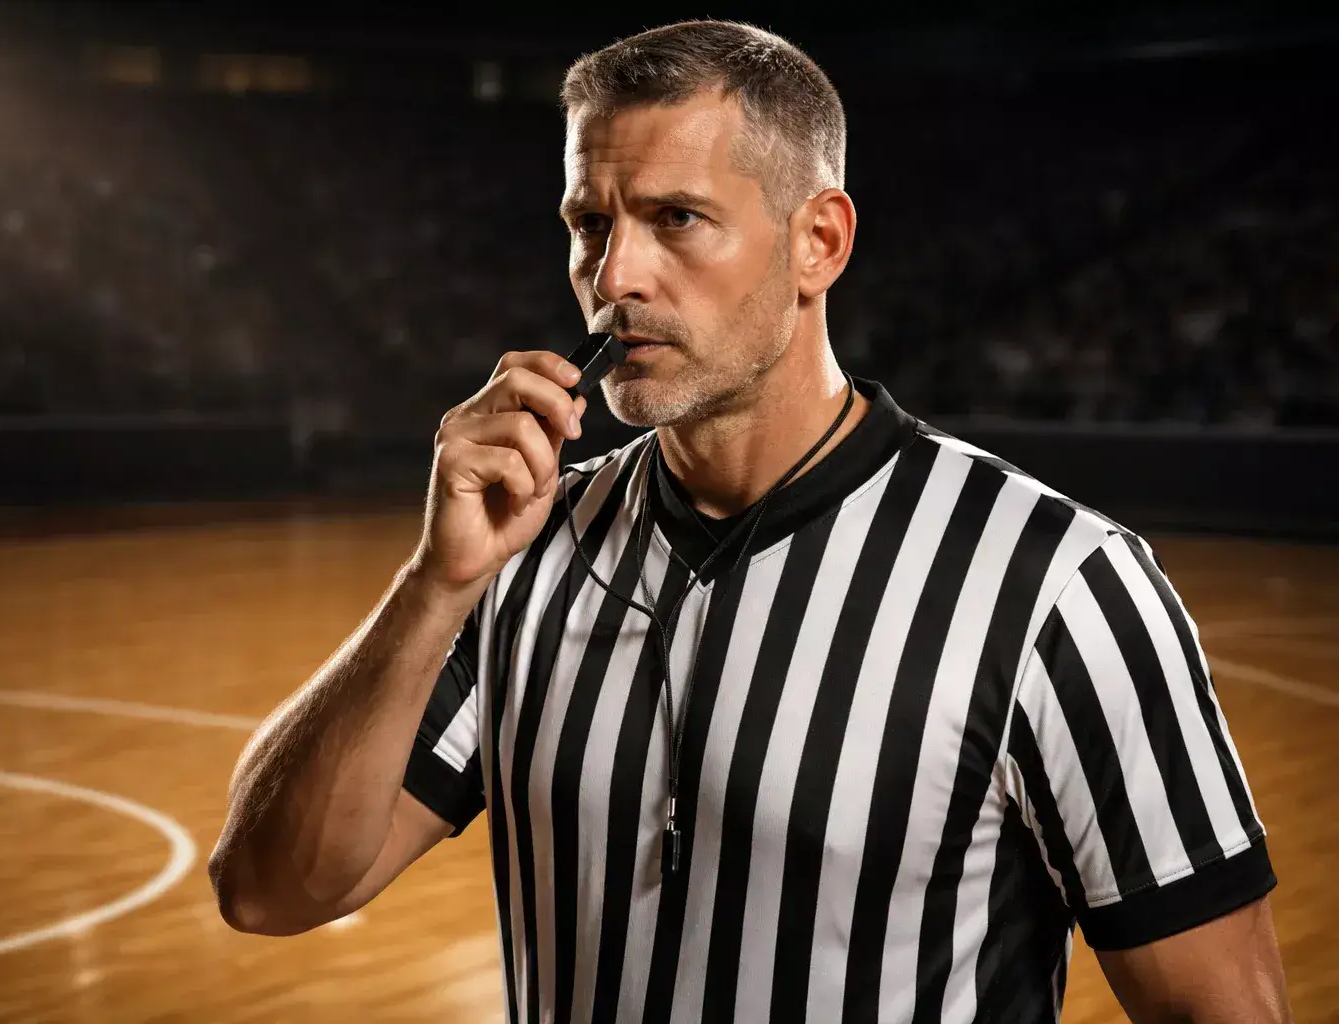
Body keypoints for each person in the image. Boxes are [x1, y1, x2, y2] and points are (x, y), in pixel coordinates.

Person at [208, 19, 1291, 1023]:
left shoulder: (1058, 583)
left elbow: (1223, 1009)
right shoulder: (524, 553)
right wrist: (433, 585)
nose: (612, 276)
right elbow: (268, 889)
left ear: (818, 240)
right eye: (591, 223)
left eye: (676, 218)